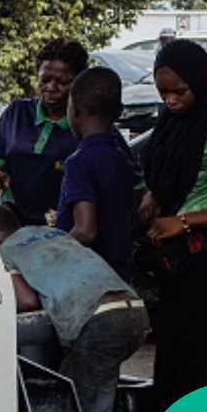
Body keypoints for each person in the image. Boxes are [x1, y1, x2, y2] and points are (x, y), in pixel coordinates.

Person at [0, 206, 148, 412]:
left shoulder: (3, 253)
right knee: (89, 395)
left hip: (99, 321)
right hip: (133, 312)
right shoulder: (51, 233)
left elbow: (28, 301)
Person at [138, 39, 207, 412]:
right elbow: (169, 168)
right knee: (173, 360)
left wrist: (184, 222)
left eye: (179, 92)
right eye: (163, 93)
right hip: (178, 264)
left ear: (201, 83)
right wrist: (153, 194)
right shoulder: (173, 120)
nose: (170, 100)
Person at [0, 39, 90, 225]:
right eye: (45, 80)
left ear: (78, 83)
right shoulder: (16, 113)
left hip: (65, 229)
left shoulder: (88, 126)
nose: (50, 87)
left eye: (62, 82)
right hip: (13, 223)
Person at [56, 67, 142, 279]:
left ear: (74, 111)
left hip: (89, 276)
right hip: (121, 273)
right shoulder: (122, 158)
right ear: (119, 111)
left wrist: (53, 250)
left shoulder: (79, 162)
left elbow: (86, 230)